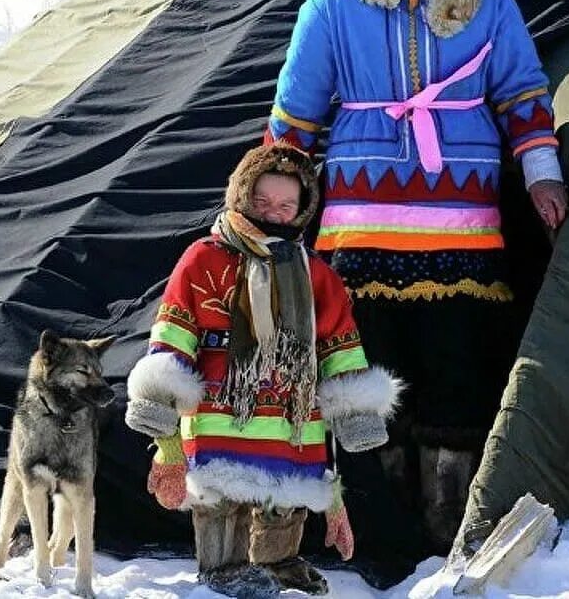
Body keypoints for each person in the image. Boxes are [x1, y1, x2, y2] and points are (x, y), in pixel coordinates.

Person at [264, 0, 568, 550]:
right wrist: (272, 204)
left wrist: (542, 173)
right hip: (359, 231)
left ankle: (445, 525)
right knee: (367, 375)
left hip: (461, 229)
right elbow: (295, 117)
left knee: (453, 370)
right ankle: (377, 526)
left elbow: (522, 93)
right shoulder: (335, 2)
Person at [125, 143, 400, 598]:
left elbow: (340, 346)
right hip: (219, 409)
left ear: (302, 208)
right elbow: (173, 334)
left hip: (292, 414)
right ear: (241, 194)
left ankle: (278, 562)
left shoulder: (318, 276)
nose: (273, 211)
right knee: (222, 498)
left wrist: (354, 410)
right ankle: (223, 569)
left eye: (286, 203)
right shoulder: (202, 259)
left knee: (285, 500)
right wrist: (160, 410)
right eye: (262, 201)